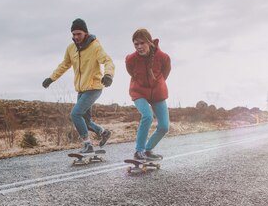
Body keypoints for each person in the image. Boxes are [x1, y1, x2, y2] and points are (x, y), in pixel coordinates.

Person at [42, 18, 115, 154]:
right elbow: (64, 65)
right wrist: (51, 78)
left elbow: (108, 61)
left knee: (75, 114)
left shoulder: (95, 47)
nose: (76, 37)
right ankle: (103, 132)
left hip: (94, 87)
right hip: (81, 90)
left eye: (79, 34)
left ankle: (88, 145)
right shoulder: (71, 48)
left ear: (85, 33)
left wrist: (108, 75)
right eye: (73, 34)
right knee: (85, 121)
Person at [125, 28, 171, 160]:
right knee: (147, 116)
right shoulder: (131, 59)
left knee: (164, 126)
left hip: (158, 93)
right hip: (139, 91)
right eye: (136, 44)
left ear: (149, 42)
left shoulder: (163, 57)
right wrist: (141, 82)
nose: (139, 47)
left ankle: (148, 149)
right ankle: (139, 151)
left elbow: (165, 73)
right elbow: (131, 72)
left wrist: (157, 83)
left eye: (142, 43)